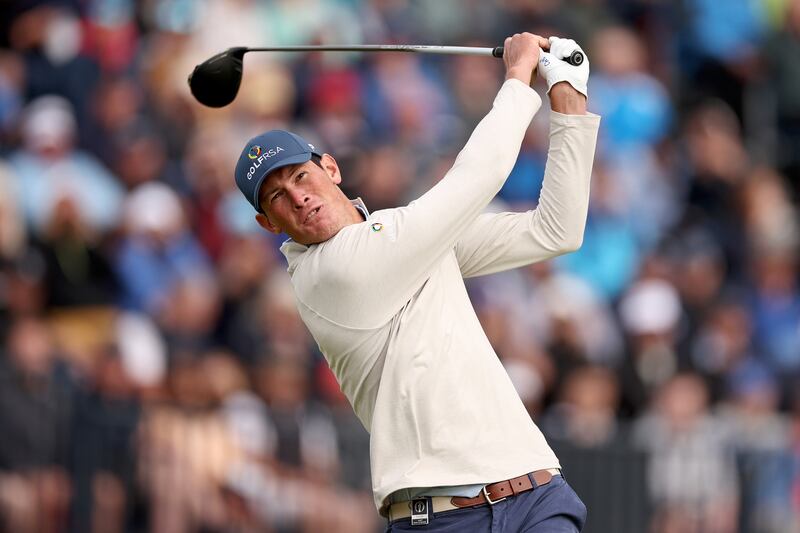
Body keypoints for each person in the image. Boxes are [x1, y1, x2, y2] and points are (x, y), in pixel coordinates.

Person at [233, 33, 599, 532]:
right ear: (268, 225)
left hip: (535, 493)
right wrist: (517, 77)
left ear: (331, 169)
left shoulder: (407, 240)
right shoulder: (331, 272)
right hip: (442, 519)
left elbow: (554, 230)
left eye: (299, 176)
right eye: (275, 197)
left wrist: (568, 97)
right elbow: (477, 176)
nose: (296, 197)